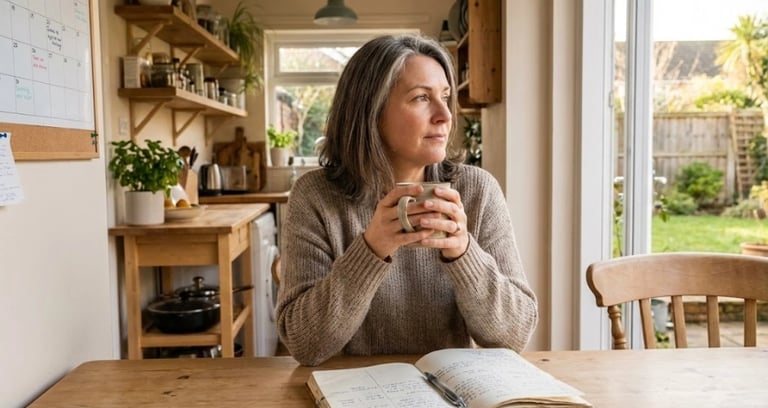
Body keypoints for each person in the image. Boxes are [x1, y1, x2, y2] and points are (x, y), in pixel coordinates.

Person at [275, 34, 538, 366]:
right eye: (421, 98)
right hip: (351, 393)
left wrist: (463, 252)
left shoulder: (477, 191)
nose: (445, 115)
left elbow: (514, 336)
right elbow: (305, 345)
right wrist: (370, 249)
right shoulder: (315, 196)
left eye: (445, 96)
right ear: (370, 111)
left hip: (449, 391)